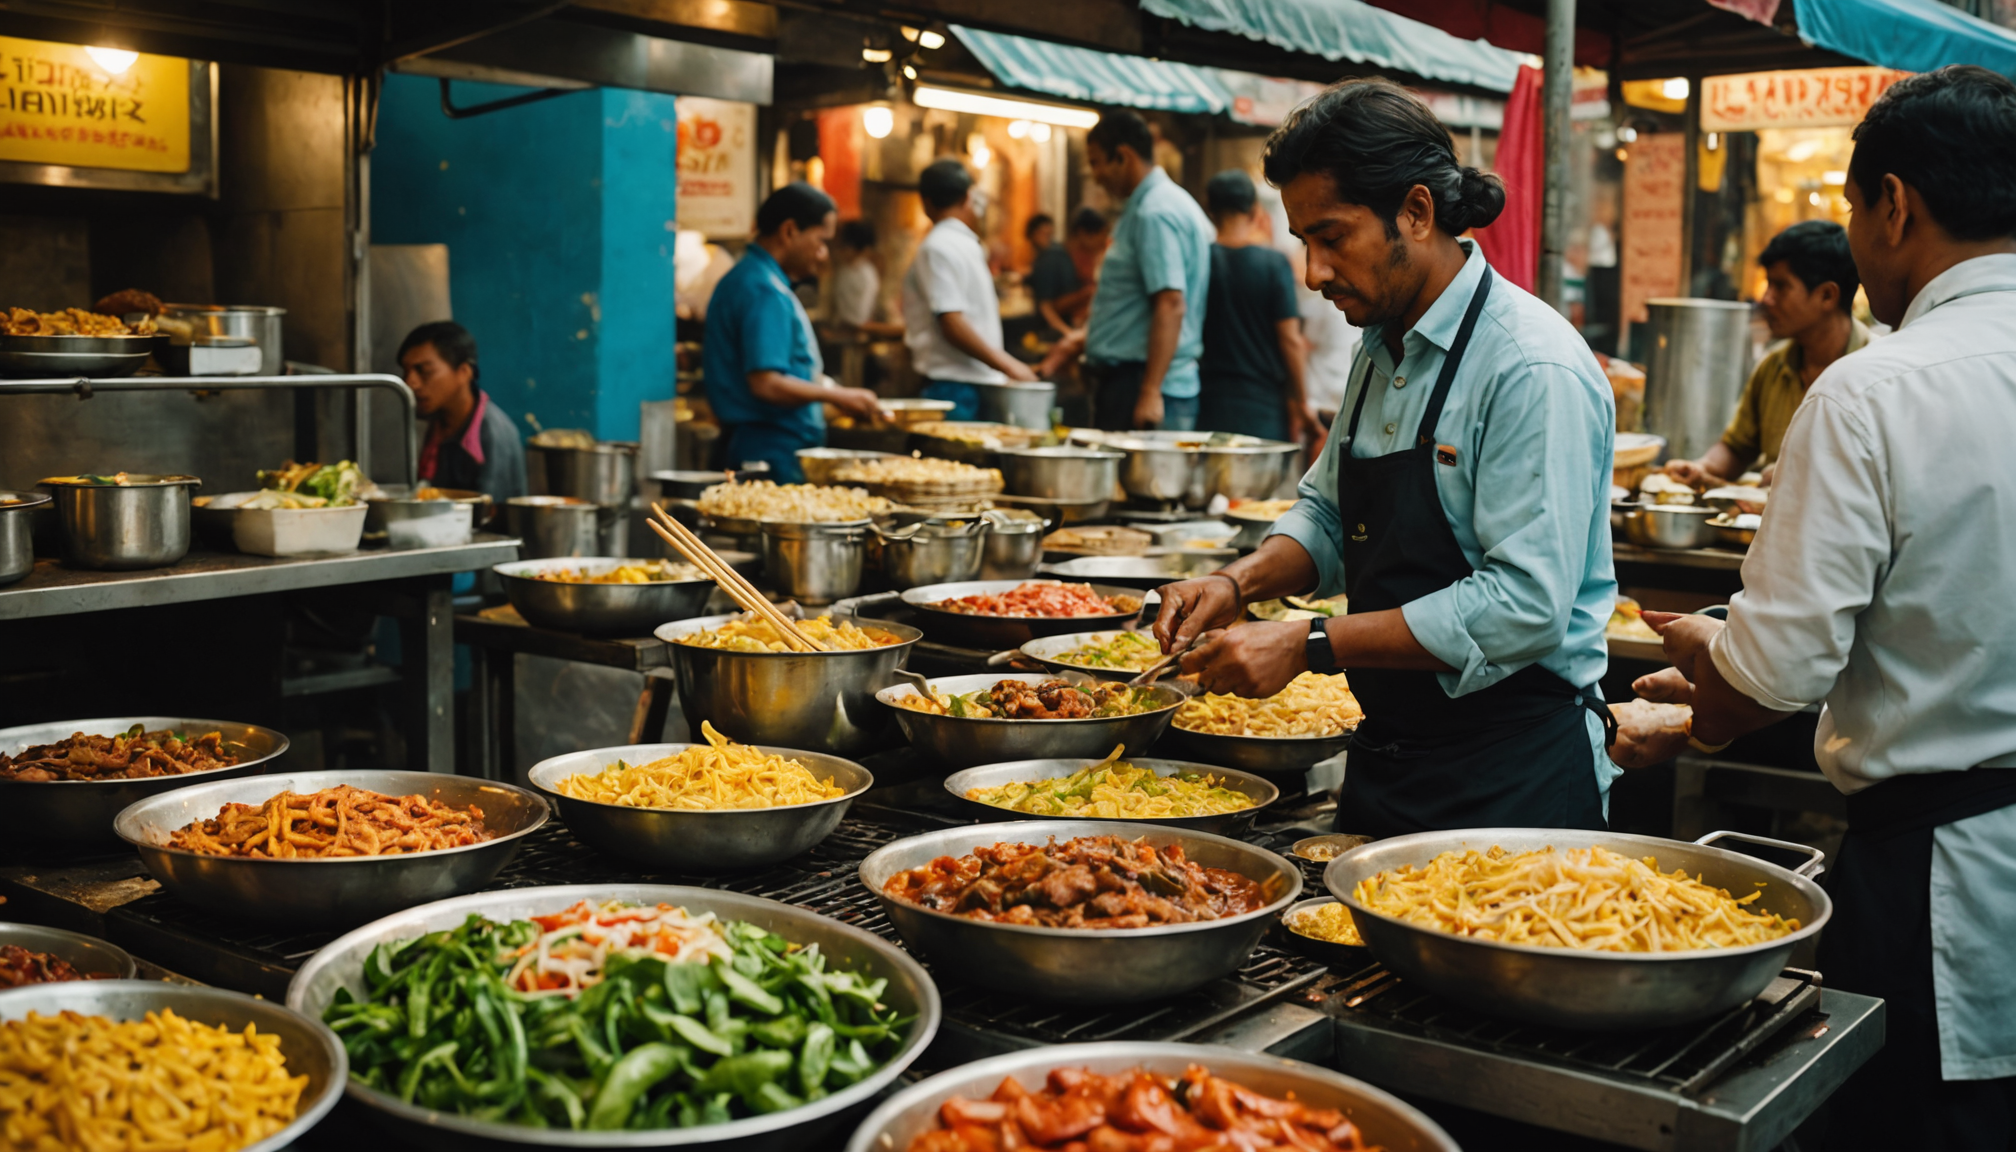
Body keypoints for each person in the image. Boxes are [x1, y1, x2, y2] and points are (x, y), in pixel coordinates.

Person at [1617, 66, 2016, 1152]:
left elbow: (1771, 674)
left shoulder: (1879, 386)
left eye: (1851, 208)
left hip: (1946, 884)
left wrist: (1711, 658)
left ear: (1893, 204)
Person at [1151, 79, 1619, 837]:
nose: (1313, 272)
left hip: (1515, 776)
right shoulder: (1381, 344)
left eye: (1332, 237)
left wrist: (1308, 643)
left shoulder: (1530, 367)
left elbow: (1524, 607)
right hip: (1392, 763)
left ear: (1416, 212)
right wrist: (1237, 582)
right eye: (1304, 242)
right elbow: (1331, 514)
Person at [1665, 220, 1870, 487]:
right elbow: (1737, 448)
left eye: (1780, 286)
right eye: (1768, 285)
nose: (1766, 299)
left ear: (1827, 296)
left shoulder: (1877, 374)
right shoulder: (1772, 367)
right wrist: (1701, 467)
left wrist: (1801, 474)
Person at [701, 182, 883, 483]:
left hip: (760, 443)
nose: (823, 254)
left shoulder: (749, 278)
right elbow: (766, 384)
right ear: (789, 231)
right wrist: (836, 395)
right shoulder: (762, 289)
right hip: (768, 449)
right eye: (821, 240)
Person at [1081, 110, 1213, 431]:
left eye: (1097, 162)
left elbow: (1170, 302)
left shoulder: (1155, 211)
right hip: (1143, 382)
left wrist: (1150, 391)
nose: (1094, 175)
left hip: (1145, 385)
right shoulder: (1162, 203)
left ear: (1123, 156)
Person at [899, 159, 1039, 422]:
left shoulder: (951, 244)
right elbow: (951, 322)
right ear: (968, 198)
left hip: (966, 384)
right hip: (953, 385)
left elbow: (953, 319)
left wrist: (1005, 367)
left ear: (925, 202)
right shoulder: (942, 247)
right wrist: (1010, 365)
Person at [1196, 169, 1317, 443]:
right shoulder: (1274, 264)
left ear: (1210, 211)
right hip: (1262, 408)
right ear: (1254, 211)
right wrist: (1302, 402)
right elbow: (1290, 340)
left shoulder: (1200, 261)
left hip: (1208, 403)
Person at [399, 320, 525, 507]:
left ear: (464, 372)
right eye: (406, 372)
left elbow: (490, 513)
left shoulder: (493, 433)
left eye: (424, 371)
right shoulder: (439, 423)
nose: (411, 383)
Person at [1031, 207, 1109, 336]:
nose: (1103, 241)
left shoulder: (1079, 258)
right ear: (1083, 233)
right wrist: (1069, 334)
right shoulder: (1053, 258)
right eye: (1102, 234)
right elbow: (1045, 306)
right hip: (1052, 336)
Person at [829, 219, 883, 330]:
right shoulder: (844, 270)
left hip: (856, 329)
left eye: (846, 246)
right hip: (842, 328)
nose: (841, 250)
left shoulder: (866, 273)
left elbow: (861, 313)